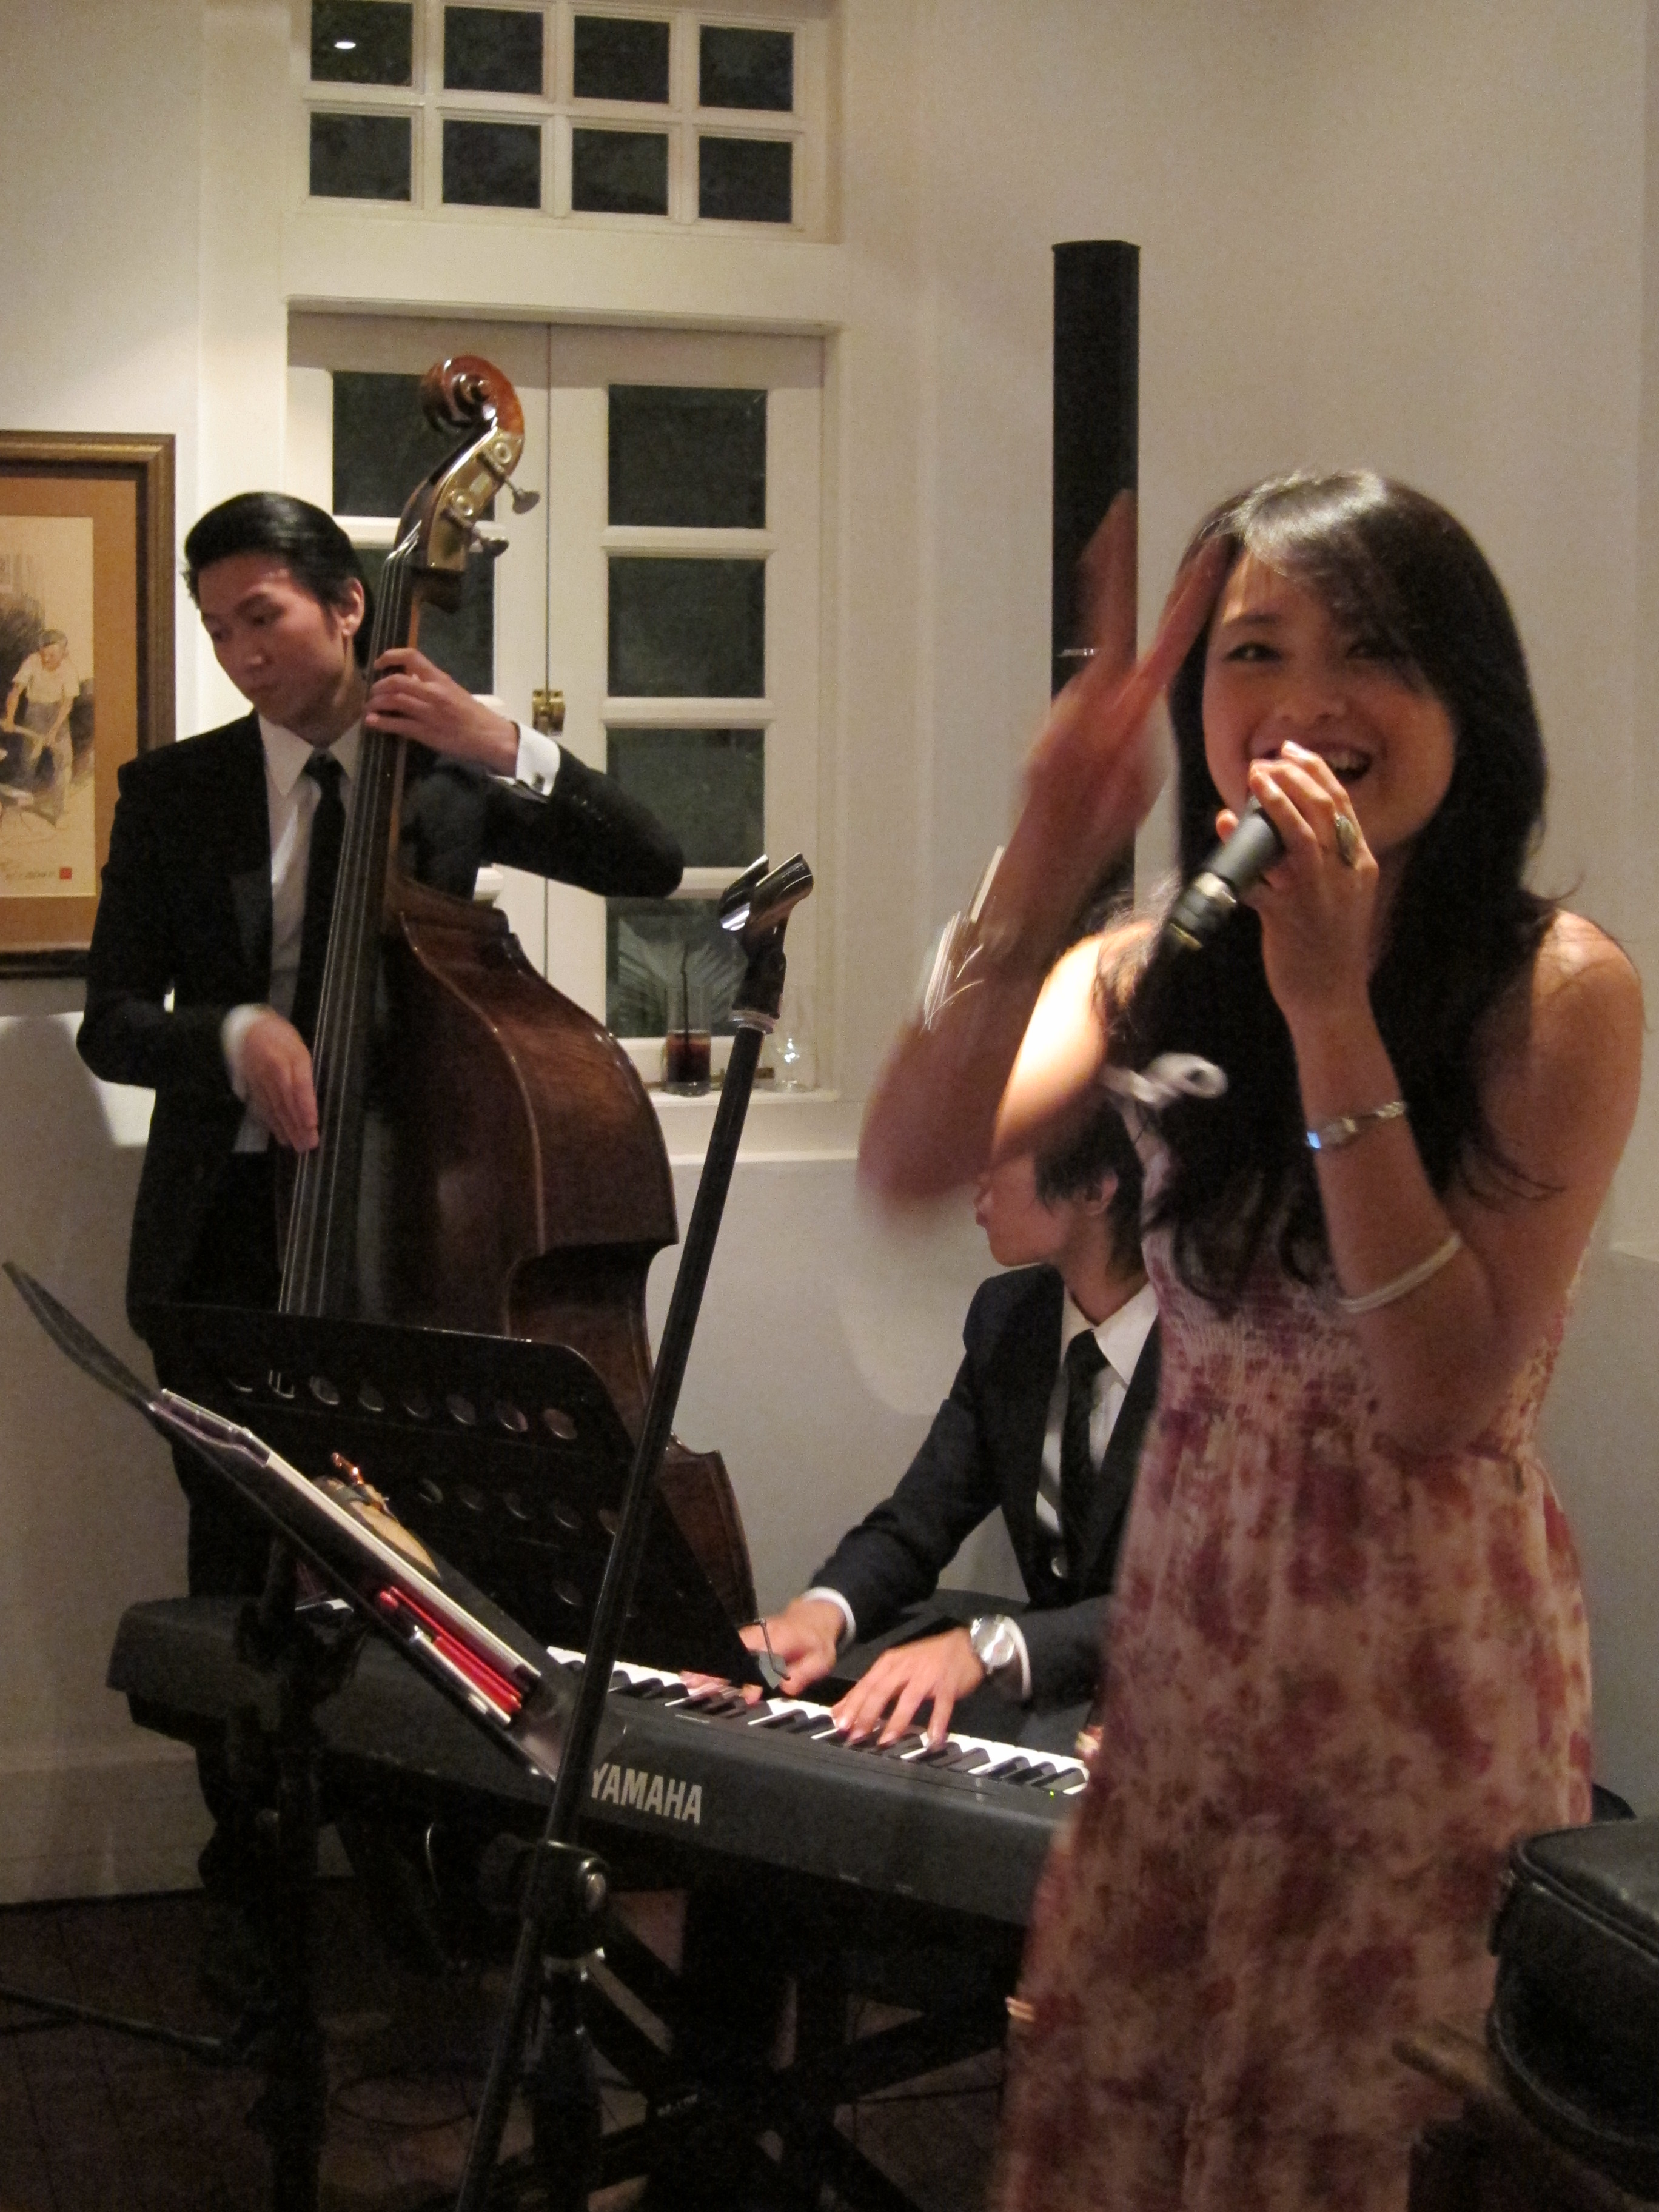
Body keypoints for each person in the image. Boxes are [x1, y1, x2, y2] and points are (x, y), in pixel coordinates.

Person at [859, 474, 1643, 2210]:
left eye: (1371, 652)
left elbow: (1436, 1398)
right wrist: (1046, 844)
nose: (1306, 702)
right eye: (1254, 653)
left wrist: (1329, 1007)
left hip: (1413, 1705)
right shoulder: (1150, 962)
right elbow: (912, 1160)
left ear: (1465, 698)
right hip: (1185, 1681)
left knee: (1343, 2153)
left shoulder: (1557, 990)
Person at [77, 491, 681, 1928]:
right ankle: (253, 1870)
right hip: (232, 1226)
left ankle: (432, 1857)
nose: (240, 654)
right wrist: (233, 1034)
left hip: (410, 1227)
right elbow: (112, 1021)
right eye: (217, 629)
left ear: (349, 604)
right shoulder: (175, 794)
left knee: (427, 1550)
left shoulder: (440, 773)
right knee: (241, 1555)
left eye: (263, 617)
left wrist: (502, 739)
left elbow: (651, 861)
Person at [748, 1098, 1158, 1754]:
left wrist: (993, 1645)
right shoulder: (1010, 1317)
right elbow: (920, 1520)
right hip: (1058, 1704)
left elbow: (1201, 1598)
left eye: (1004, 1152)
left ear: (1095, 1189)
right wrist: (823, 1612)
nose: (978, 1178)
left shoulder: (1219, 1349)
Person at [3, 629, 81, 819]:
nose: (46, 659)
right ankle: (22, 800)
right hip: (35, 711)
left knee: (63, 761)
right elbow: (15, 692)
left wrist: (54, 732)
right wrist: (10, 719)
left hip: (58, 713)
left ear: (64, 653)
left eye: (52, 655)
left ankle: (61, 811)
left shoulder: (69, 671)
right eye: (43, 654)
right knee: (29, 759)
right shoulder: (32, 661)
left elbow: (67, 705)